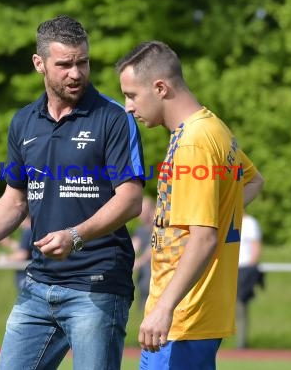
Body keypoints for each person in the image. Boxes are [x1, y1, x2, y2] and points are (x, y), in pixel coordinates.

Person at [0, 15, 145, 370]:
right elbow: (15, 200)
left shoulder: (114, 118)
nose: (76, 73)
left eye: (83, 62)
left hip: (98, 284)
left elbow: (131, 199)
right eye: (65, 64)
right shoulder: (23, 122)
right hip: (37, 285)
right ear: (39, 64)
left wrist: (75, 236)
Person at [116, 41, 265, 369]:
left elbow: (203, 236)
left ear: (160, 87)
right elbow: (254, 181)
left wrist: (163, 309)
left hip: (183, 318)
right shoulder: (214, 128)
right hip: (194, 316)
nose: (128, 107)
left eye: (131, 95)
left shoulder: (194, 143)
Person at [236, 212, 265, 349]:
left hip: (244, 268)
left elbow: (255, 246)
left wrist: (251, 267)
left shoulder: (250, 223)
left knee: (241, 306)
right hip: (229, 269)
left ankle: (241, 343)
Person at [0, 215, 33, 291]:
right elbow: (25, 249)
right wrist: (9, 243)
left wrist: (5, 258)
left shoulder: (27, 231)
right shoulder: (34, 230)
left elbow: (22, 255)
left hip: (26, 276)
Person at [132, 196, 155, 310]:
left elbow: (152, 249)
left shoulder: (159, 228)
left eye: (142, 211)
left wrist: (138, 263)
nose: (139, 215)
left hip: (156, 275)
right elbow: (134, 245)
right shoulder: (140, 229)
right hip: (144, 278)